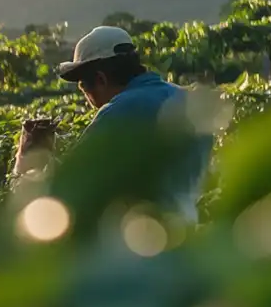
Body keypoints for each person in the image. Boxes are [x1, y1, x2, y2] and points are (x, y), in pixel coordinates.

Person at [54, 25, 213, 223]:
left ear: (100, 79)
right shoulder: (186, 100)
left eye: (83, 86)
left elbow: (69, 187)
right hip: (189, 228)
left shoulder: (116, 112)